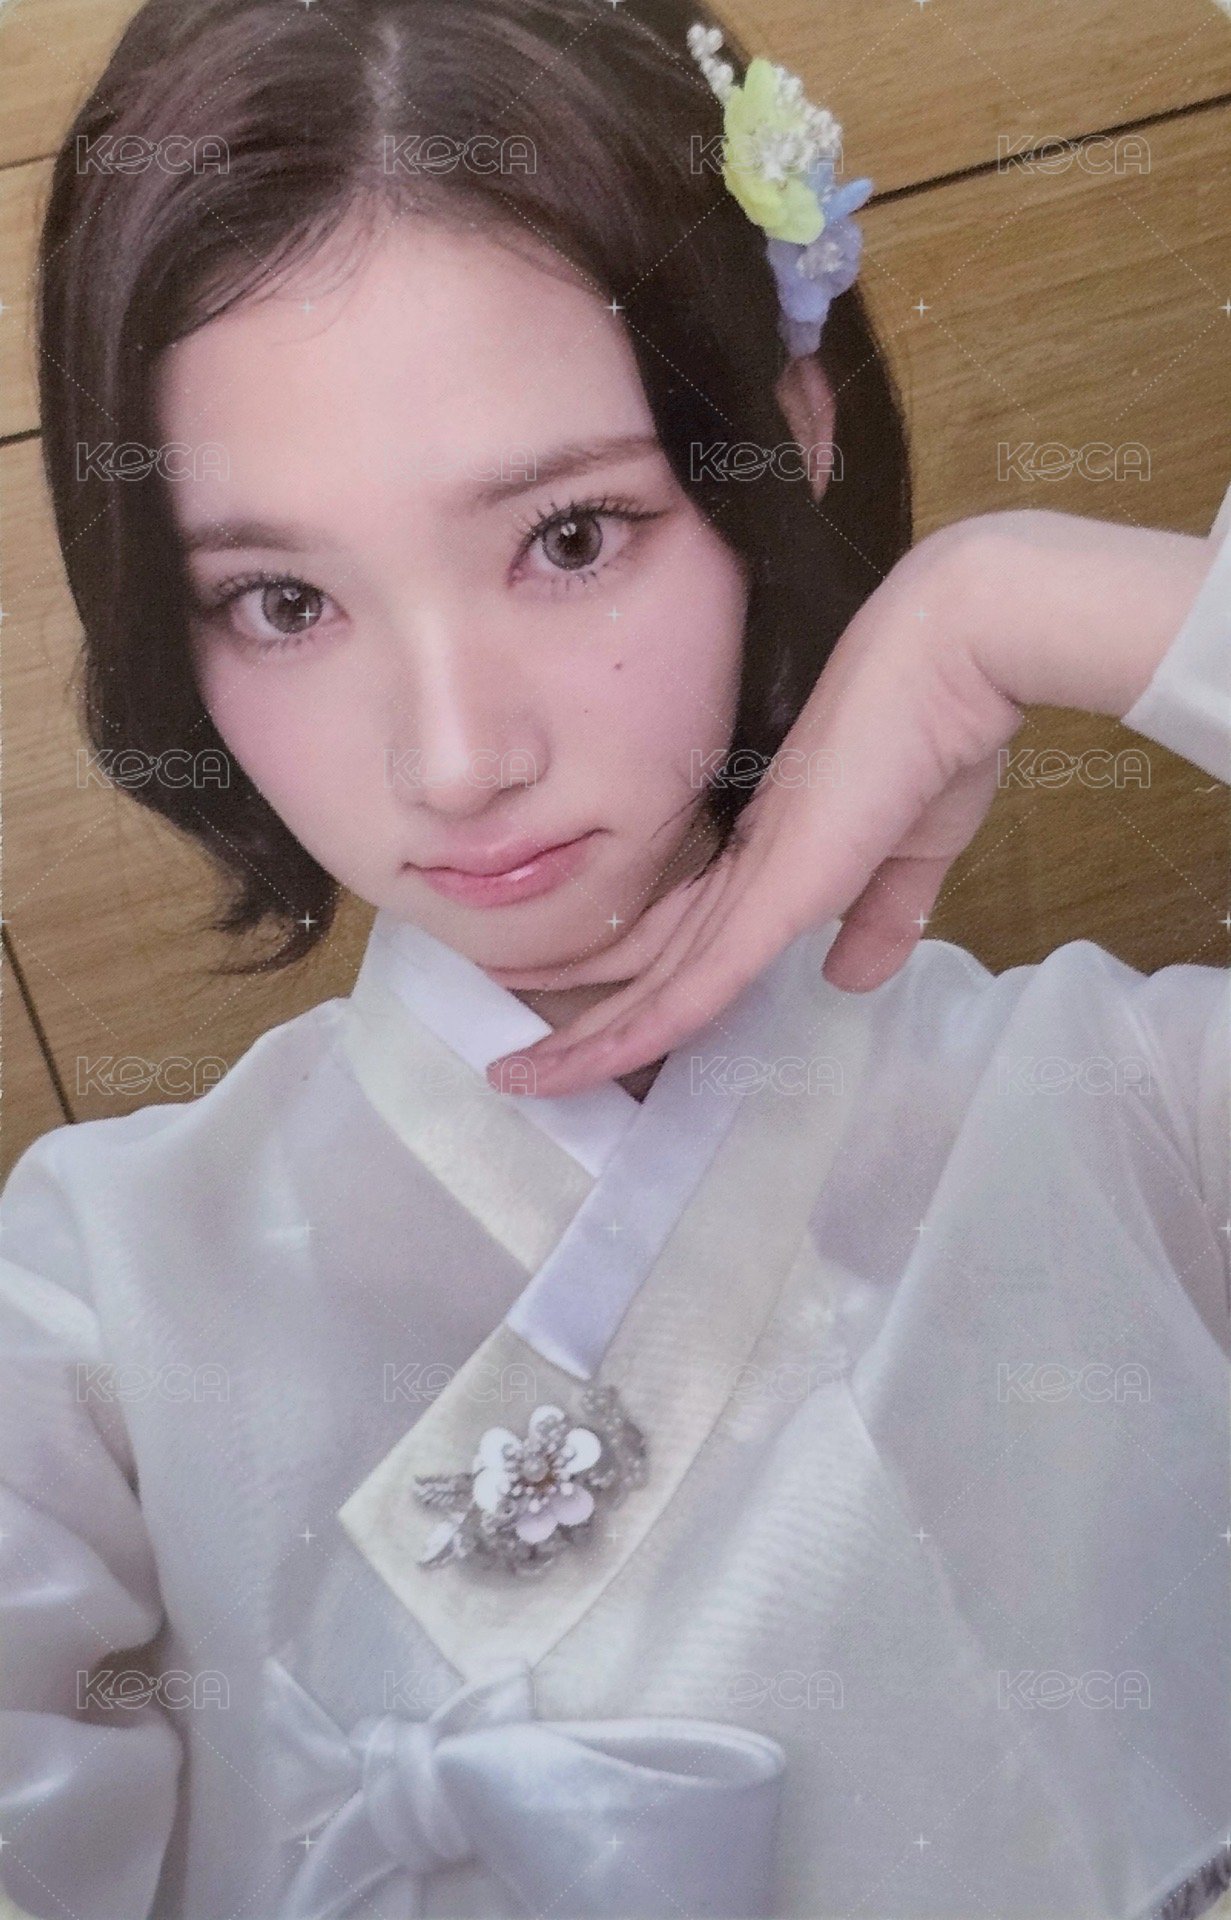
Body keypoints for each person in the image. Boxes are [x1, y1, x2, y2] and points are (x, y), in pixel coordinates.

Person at [1, 1, 1227, 1916]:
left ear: (785, 439)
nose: (455, 757)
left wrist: (1039, 604)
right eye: (283, 599)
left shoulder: (1143, 1115)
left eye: (570, 536)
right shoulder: (90, 1308)